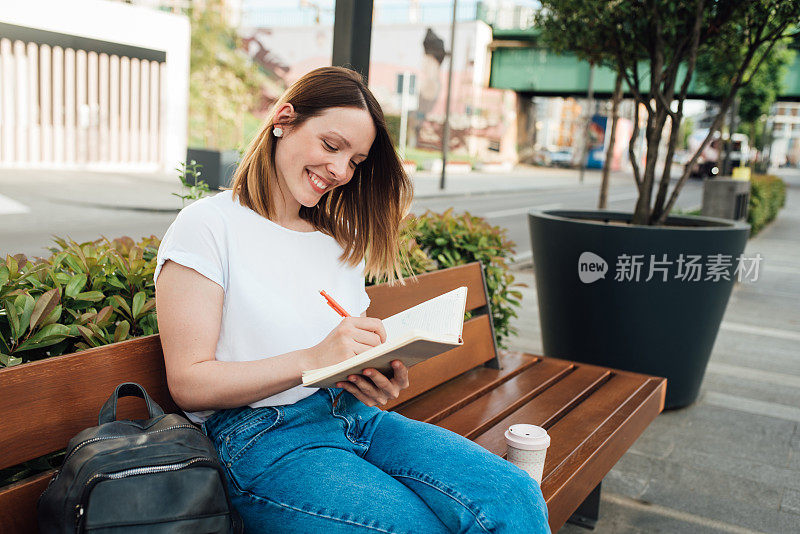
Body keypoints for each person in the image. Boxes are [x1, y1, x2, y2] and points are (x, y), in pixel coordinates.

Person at [154, 66, 549, 534]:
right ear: (283, 120)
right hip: (261, 437)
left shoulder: (337, 241)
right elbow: (189, 382)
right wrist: (314, 358)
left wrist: (371, 373)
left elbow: (340, 355)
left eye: (356, 161)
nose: (340, 171)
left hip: (352, 416)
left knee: (512, 494)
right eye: (331, 146)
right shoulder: (208, 225)